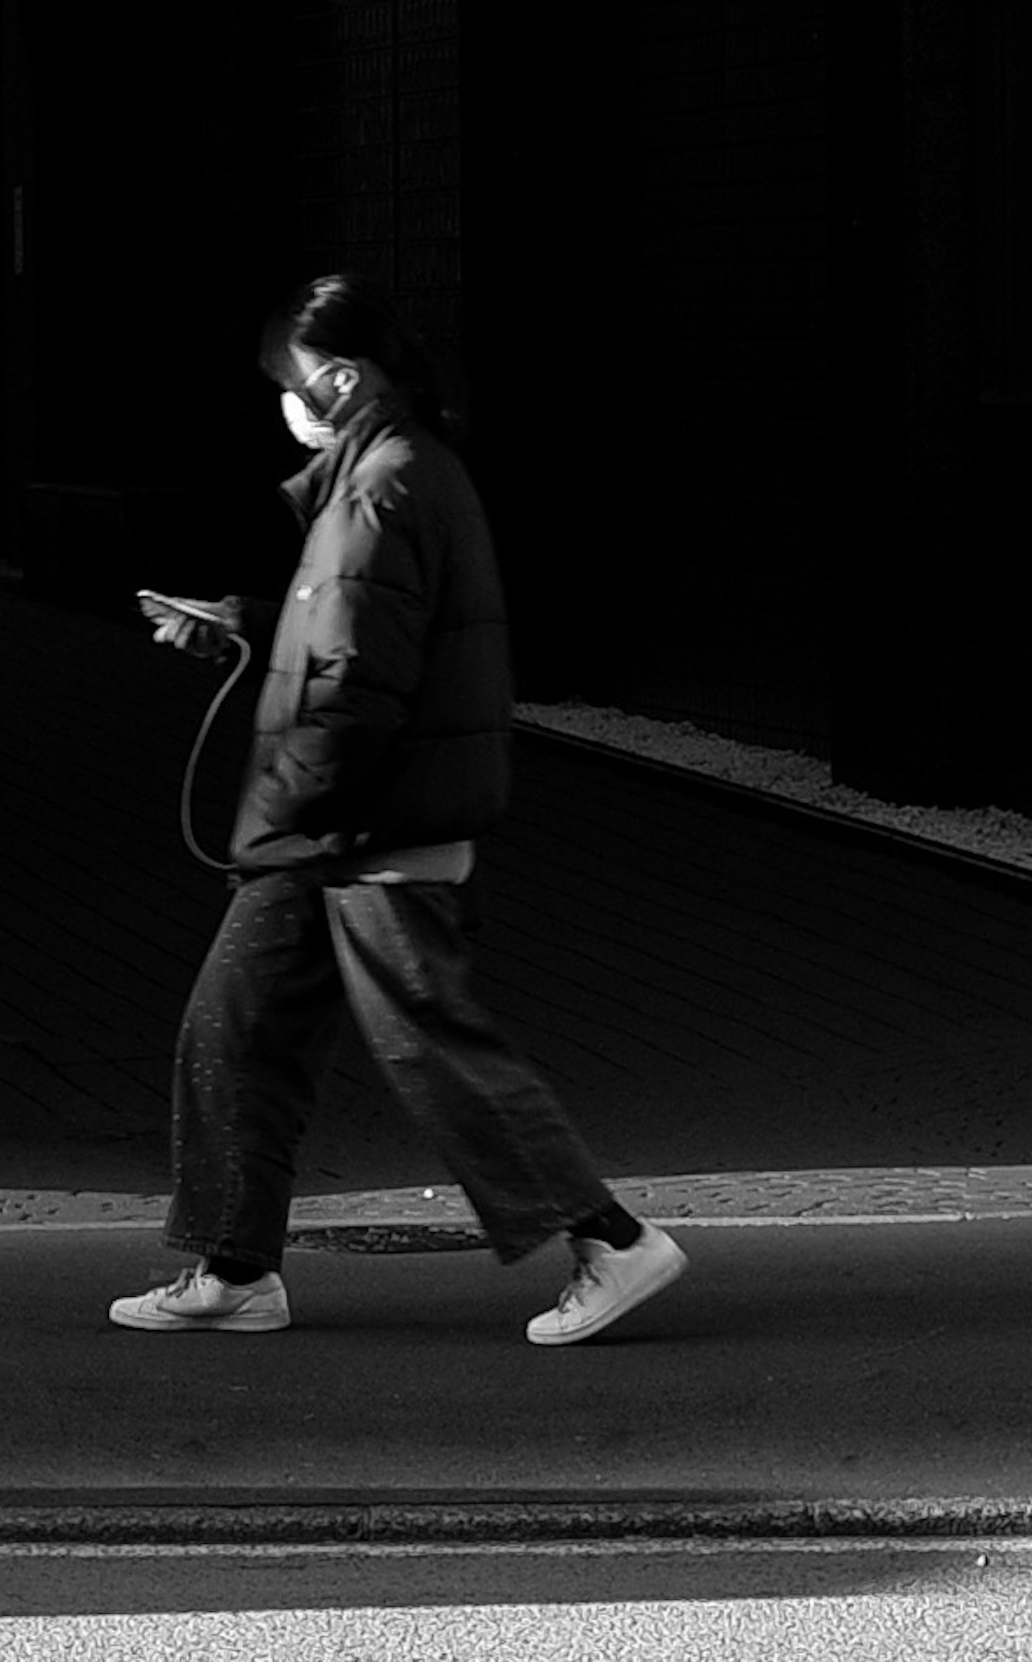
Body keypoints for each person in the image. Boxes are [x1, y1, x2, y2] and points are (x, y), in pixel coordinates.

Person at [111, 273, 687, 1347]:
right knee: (233, 1028)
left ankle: (610, 1239)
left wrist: (273, 809)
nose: (282, 404)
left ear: (338, 378)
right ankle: (236, 1267)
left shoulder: (383, 487)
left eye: (290, 384)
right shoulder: (400, 473)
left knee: (428, 1039)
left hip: (366, 827)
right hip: (347, 827)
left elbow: (354, 692)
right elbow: (354, 644)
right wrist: (243, 621)